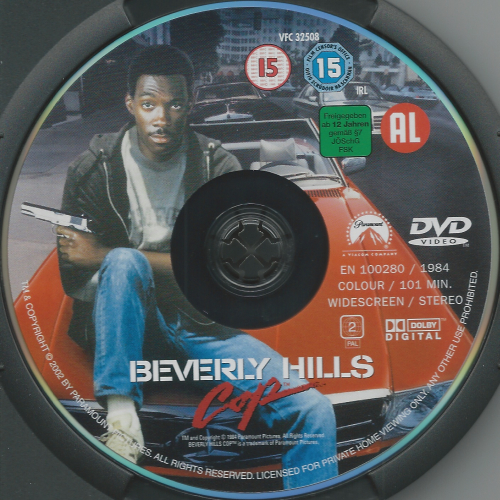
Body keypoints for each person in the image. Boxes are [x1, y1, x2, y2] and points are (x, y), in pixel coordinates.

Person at [57, 45, 337, 489]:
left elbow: (220, 269)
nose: (162, 118)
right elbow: (73, 274)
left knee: (314, 410)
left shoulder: (217, 164)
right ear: (130, 103)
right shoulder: (93, 170)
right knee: (124, 262)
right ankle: (123, 421)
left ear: (190, 105)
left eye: (174, 104)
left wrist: (102, 256)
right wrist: (136, 266)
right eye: (149, 104)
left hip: (200, 323)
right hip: (127, 324)